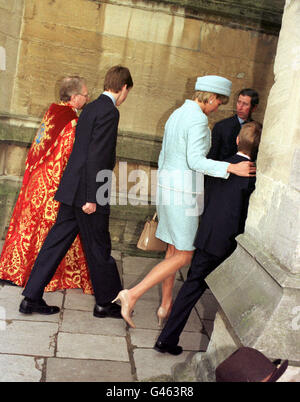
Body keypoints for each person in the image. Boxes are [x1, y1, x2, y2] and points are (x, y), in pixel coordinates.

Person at [112, 76, 256, 329]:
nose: (216, 109)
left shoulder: (177, 113)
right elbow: (196, 162)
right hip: (183, 196)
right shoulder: (198, 120)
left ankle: (165, 306)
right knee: (185, 255)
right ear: (210, 97)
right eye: (218, 103)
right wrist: (232, 168)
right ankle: (132, 294)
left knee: (173, 250)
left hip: (166, 190)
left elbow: (164, 155)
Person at [18, 65, 133, 319]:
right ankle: (106, 302)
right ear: (124, 88)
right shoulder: (109, 112)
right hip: (89, 192)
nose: (126, 97)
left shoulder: (89, 108)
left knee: (55, 243)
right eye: (127, 92)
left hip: (72, 189)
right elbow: (97, 155)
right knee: (99, 247)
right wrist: (92, 197)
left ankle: (31, 297)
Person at [154, 121, 262, 355]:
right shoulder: (254, 177)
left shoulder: (219, 166)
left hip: (207, 236)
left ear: (236, 141)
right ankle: (231, 351)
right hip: (230, 244)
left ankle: (166, 338)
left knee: (191, 289)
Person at [0, 76, 93, 294]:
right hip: (51, 185)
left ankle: (14, 269)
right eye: (86, 95)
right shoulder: (71, 121)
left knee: (26, 227)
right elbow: (68, 158)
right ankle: (38, 276)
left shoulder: (53, 111)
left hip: (35, 180)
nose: (87, 98)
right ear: (74, 97)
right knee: (48, 230)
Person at [207, 88, 259, 161]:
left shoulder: (257, 129)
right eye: (239, 102)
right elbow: (212, 157)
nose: (240, 107)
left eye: (245, 104)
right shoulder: (221, 126)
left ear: (254, 108)